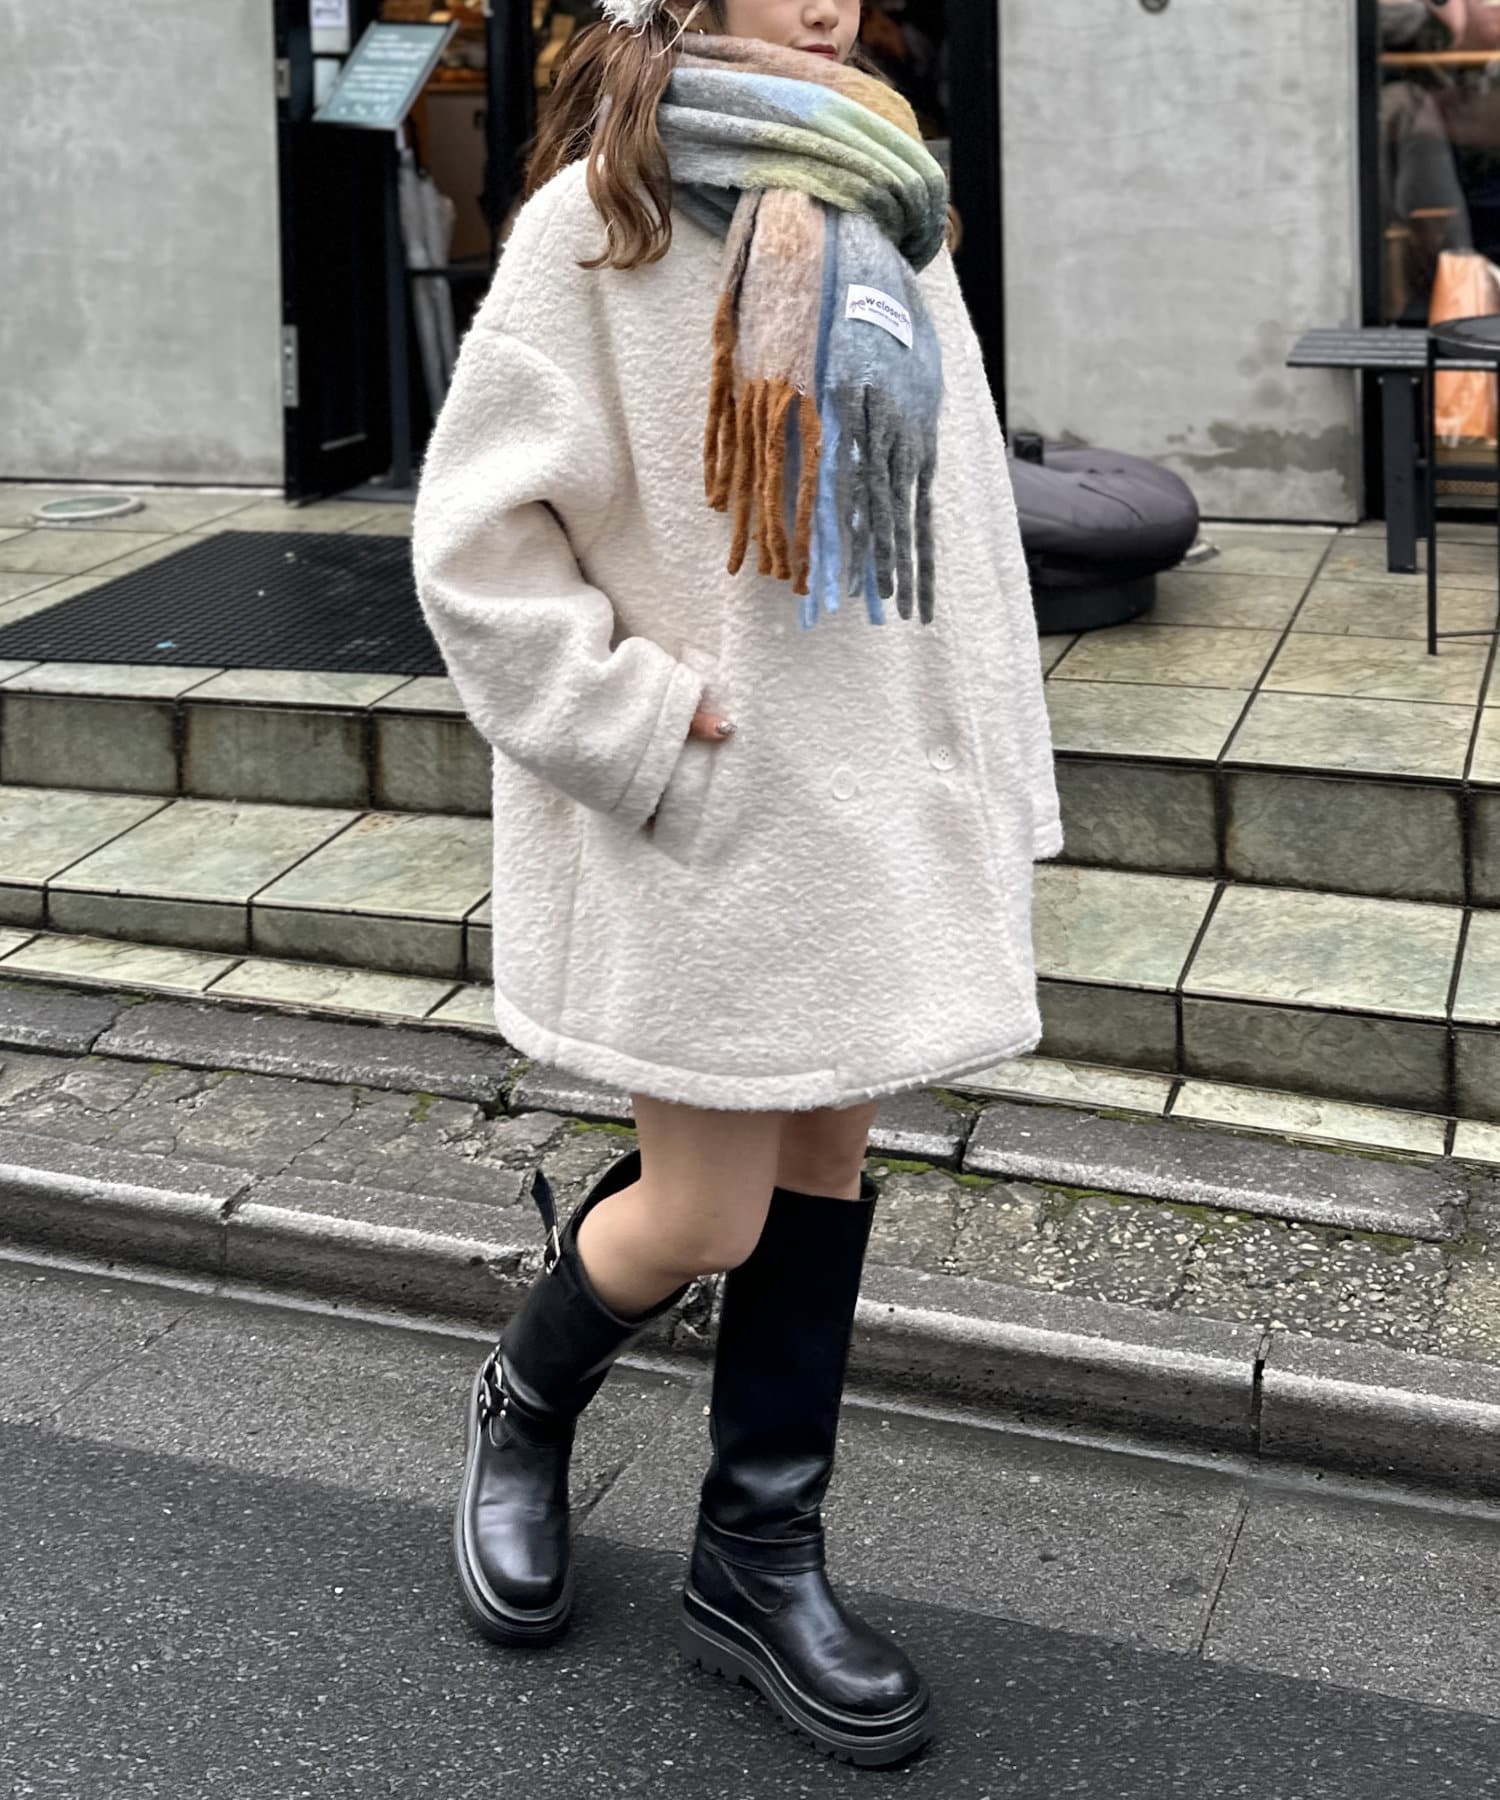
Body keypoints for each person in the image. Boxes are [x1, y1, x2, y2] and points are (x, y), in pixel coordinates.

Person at [410, 0, 1063, 1769]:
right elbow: (479, 544)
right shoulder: (600, 215)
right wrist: (635, 726)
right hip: (707, 807)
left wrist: (992, 771)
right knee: (707, 1215)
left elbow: (966, 530)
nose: (827, 3)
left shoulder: (890, 201)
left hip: (869, 806)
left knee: (824, 1167)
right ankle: (522, 1397)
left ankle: (757, 1556)